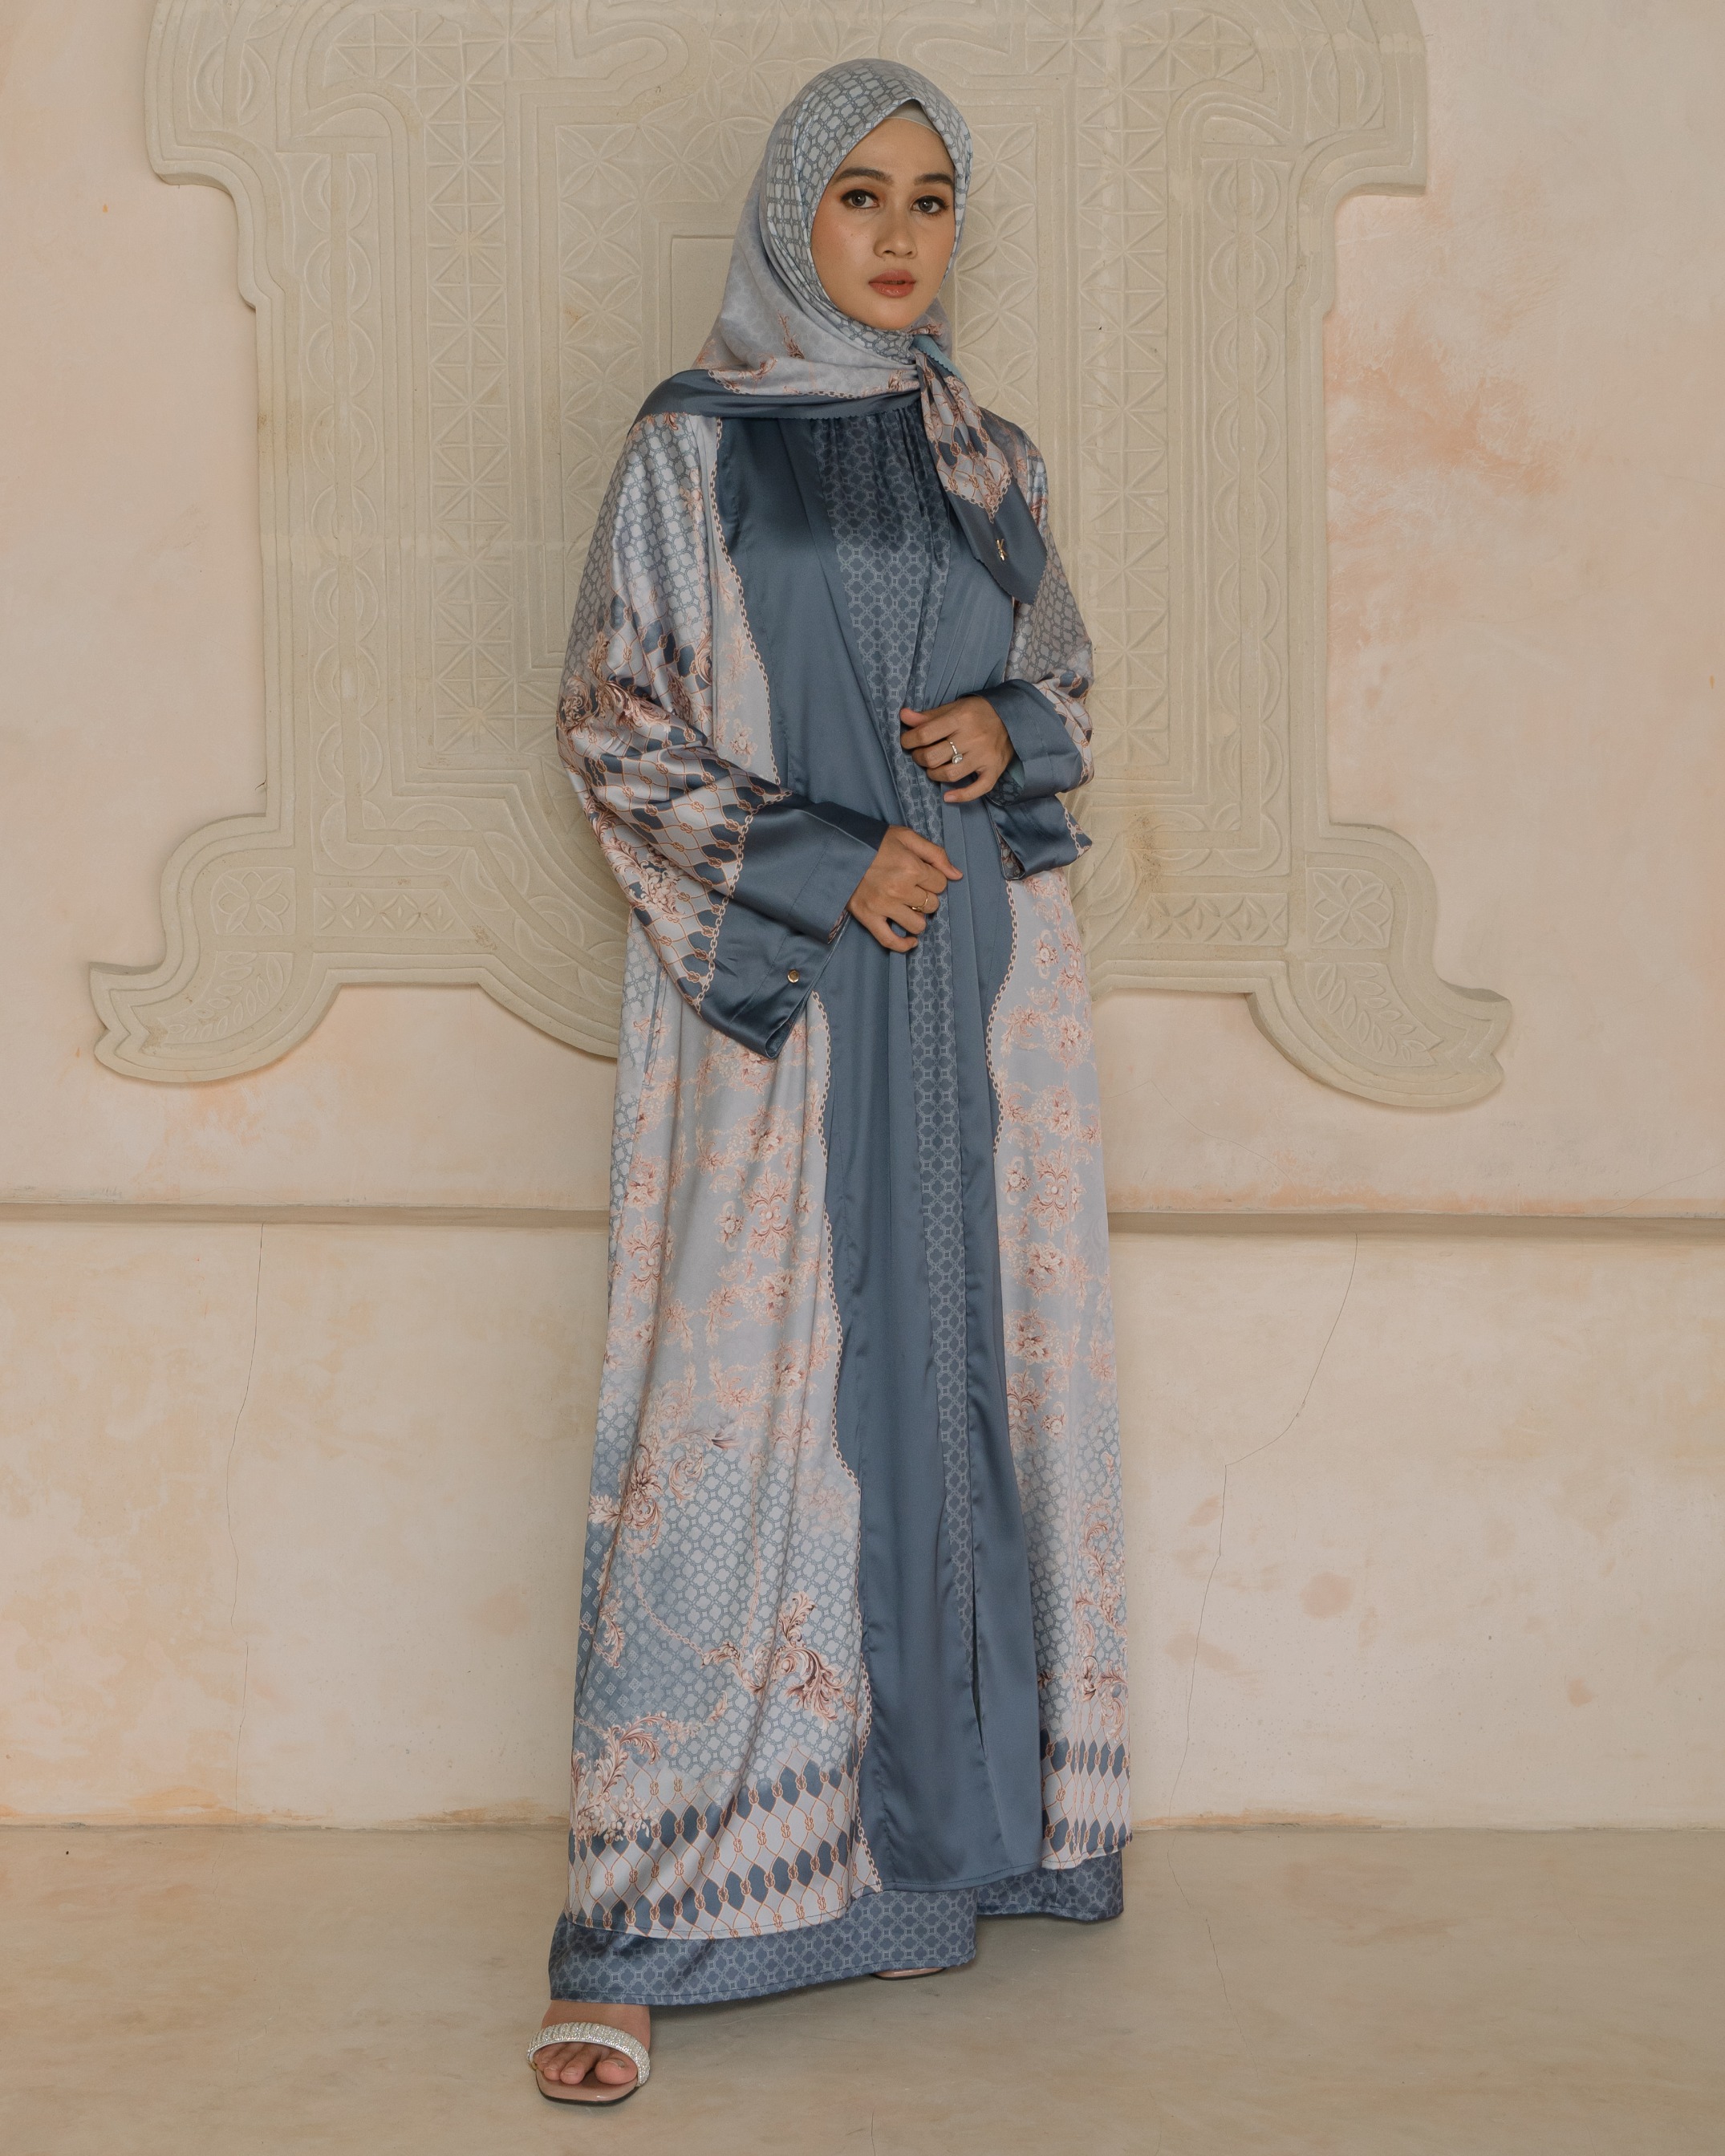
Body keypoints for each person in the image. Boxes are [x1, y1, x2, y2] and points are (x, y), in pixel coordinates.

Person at [527, 59, 1129, 2106]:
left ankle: (958, 1850)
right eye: (859, 195)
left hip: (982, 1000)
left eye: (929, 199)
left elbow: (1057, 680)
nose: (895, 234)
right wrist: (814, 855)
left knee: (972, 1373)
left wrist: (1006, 731)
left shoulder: (985, 453)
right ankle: (641, 1922)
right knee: (746, 1398)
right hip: (789, 1009)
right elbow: (610, 722)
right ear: (793, 216)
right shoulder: (693, 451)